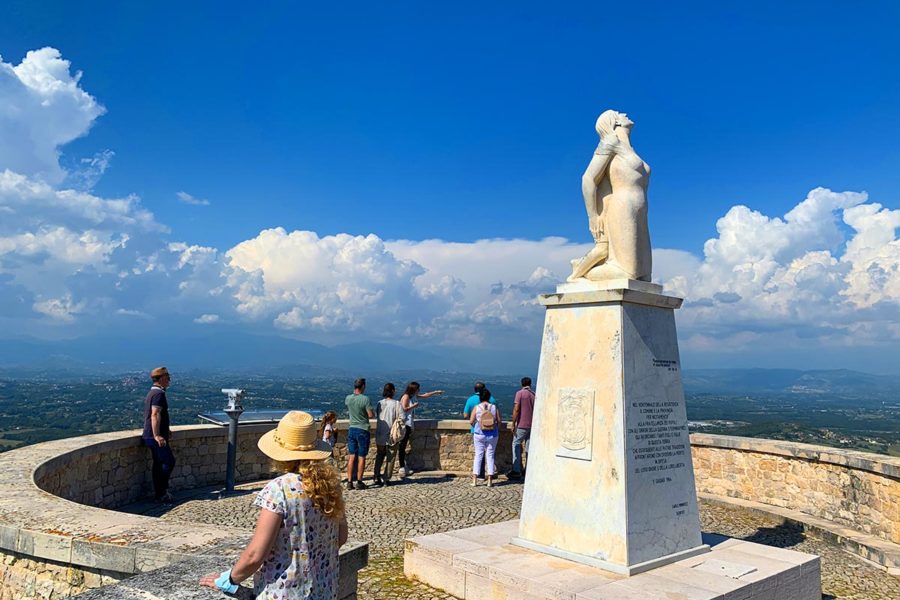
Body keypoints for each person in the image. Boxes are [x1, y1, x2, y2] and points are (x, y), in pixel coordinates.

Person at [200, 411, 349, 598]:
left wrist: (229, 579)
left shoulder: (280, 489)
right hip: (324, 592)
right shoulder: (330, 486)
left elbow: (255, 555)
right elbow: (341, 537)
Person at [569, 110, 652, 282]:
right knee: (627, 273)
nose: (625, 113)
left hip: (641, 210)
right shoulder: (610, 143)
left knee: (644, 277)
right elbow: (588, 178)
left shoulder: (630, 148)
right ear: (614, 123)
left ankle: (585, 265)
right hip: (623, 208)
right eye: (618, 113)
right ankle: (580, 270)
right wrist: (593, 216)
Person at [142, 366, 176, 503]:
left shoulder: (152, 393)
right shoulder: (158, 394)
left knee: (158, 463)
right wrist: (157, 435)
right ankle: (162, 491)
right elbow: (155, 414)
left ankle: (160, 492)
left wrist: (165, 430)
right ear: (161, 378)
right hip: (154, 436)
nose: (169, 380)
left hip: (149, 435)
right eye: (167, 377)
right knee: (168, 461)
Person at [397, 381, 443, 477]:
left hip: (409, 424)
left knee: (404, 445)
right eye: (418, 389)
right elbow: (403, 409)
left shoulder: (412, 396)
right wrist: (414, 406)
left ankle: (404, 467)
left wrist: (435, 392)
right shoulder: (406, 397)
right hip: (405, 424)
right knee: (402, 446)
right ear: (414, 389)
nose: (419, 390)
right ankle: (402, 467)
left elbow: (425, 395)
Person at [345, 378, 374, 490]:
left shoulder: (348, 398)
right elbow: (370, 415)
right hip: (362, 429)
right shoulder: (365, 399)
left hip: (352, 428)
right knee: (362, 457)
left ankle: (349, 481)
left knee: (352, 456)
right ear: (362, 386)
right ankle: (359, 481)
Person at [469, 388, 501, 487]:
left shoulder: (477, 407)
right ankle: (490, 479)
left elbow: (471, 421)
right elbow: (499, 421)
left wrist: (478, 426)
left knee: (478, 455)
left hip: (479, 434)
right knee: (490, 456)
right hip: (492, 434)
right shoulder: (494, 407)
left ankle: (475, 479)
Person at [373, 383, 401, 486]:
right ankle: (386, 478)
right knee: (391, 457)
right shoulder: (396, 404)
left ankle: (376, 476)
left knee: (379, 455)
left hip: (380, 433)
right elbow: (401, 418)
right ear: (393, 391)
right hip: (391, 435)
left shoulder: (379, 403)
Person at [462, 381, 491, 478]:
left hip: (477, 430)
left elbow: (465, 415)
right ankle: (489, 473)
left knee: (479, 453)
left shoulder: (470, 400)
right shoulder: (492, 400)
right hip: (491, 430)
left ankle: (479, 474)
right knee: (490, 454)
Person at [508, 377, 535, 480]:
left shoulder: (520, 393)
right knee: (529, 447)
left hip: (522, 424)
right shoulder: (533, 395)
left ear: (521, 384)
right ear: (530, 384)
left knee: (516, 444)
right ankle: (528, 470)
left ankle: (516, 470)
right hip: (532, 425)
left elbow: (516, 409)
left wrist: (513, 422)